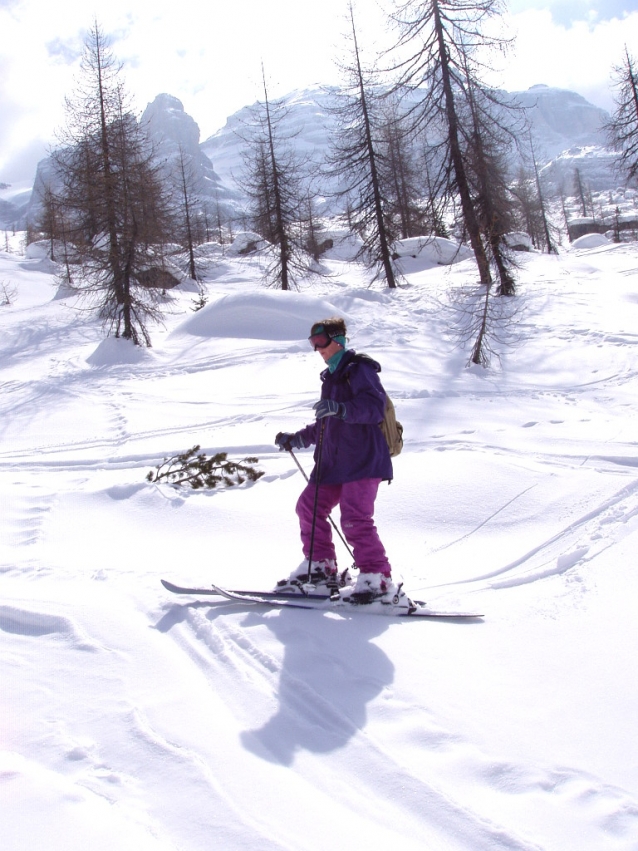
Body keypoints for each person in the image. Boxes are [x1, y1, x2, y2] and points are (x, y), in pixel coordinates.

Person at [275, 317, 398, 604]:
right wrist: (298, 438)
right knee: (309, 507)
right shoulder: (331, 377)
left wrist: (341, 408)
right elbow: (327, 424)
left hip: (362, 460)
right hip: (333, 463)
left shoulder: (359, 369)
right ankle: (321, 567)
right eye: (312, 343)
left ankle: (377, 577)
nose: (317, 348)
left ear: (338, 340)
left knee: (355, 519)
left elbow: (373, 407)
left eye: (321, 341)